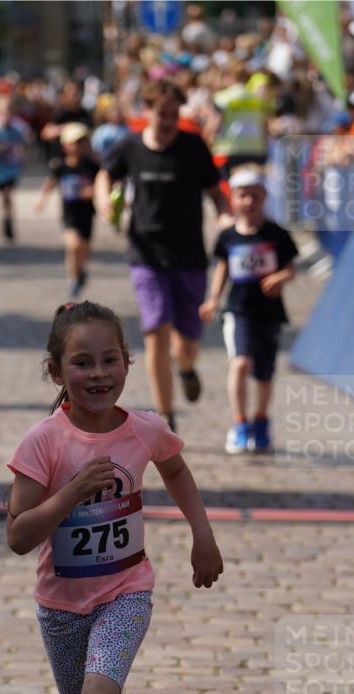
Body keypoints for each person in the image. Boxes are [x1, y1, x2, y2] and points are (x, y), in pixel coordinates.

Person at [5, 300, 223, 694]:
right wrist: (70, 492)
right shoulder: (44, 441)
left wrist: (202, 534)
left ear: (127, 363)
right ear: (56, 372)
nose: (98, 373)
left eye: (109, 360)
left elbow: (175, 469)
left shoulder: (144, 428)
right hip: (60, 604)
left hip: (126, 592)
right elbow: (19, 534)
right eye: (82, 362)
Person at [96, 79, 232, 432]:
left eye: (174, 114)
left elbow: (214, 191)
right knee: (155, 330)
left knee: (186, 342)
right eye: (162, 114)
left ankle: (185, 367)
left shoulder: (192, 147)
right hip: (146, 253)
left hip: (189, 256)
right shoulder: (130, 146)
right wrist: (102, 201)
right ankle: (165, 414)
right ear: (147, 111)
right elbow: (105, 175)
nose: (169, 120)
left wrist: (224, 214)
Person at [199, 166, 297, 454]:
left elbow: (290, 266)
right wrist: (213, 298)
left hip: (270, 312)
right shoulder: (228, 236)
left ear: (264, 196)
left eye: (255, 195)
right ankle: (240, 423)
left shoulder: (276, 233)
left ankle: (261, 420)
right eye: (243, 196)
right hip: (238, 309)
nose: (249, 202)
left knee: (265, 374)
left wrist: (281, 277)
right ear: (233, 199)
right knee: (241, 363)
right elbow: (222, 267)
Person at [35, 123, 99, 298]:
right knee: (73, 245)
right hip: (69, 215)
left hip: (87, 214)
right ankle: (73, 279)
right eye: (74, 143)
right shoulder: (60, 166)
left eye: (81, 142)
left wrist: (92, 191)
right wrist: (42, 201)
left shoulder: (92, 165)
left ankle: (80, 270)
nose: (78, 146)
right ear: (65, 146)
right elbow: (51, 182)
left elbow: (101, 183)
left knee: (84, 247)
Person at [0, 94, 31, 242]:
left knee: (7, 195)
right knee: (4, 197)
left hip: (11, 169)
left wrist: (22, 158)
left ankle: (8, 222)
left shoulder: (15, 129)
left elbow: (21, 145)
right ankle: (6, 218)